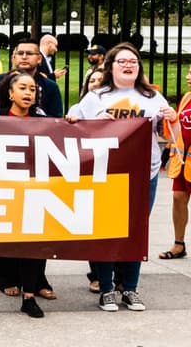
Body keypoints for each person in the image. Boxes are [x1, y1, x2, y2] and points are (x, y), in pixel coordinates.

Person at [66, 43, 175, 313]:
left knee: (135, 230)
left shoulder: (151, 97)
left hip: (143, 173)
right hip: (107, 173)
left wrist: (169, 118)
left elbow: (166, 130)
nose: (129, 65)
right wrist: (80, 118)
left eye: (134, 61)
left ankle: (130, 288)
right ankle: (105, 289)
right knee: (105, 229)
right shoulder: (97, 96)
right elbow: (73, 121)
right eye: (123, 61)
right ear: (111, 66)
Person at [0, 72, 49, 319]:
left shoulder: (42, 119)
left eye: (33, 89)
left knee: (30, 246)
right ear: (10, 92)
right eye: (23, 88)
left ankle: (29, 298)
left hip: (30, 192)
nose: (29, 93)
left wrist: (70, 124)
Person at [0, 38, 64, 118]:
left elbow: (56, 121)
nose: (24, 57)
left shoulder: (51, 87)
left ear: (39, 59)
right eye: (20, 53)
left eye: (29, 53)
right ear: (14, 58)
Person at [161, 64, 191, 261]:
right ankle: (179, 244)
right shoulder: (187, 97)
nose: (188, 77)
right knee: (178, 198)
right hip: (182, 163)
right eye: (189, 72)